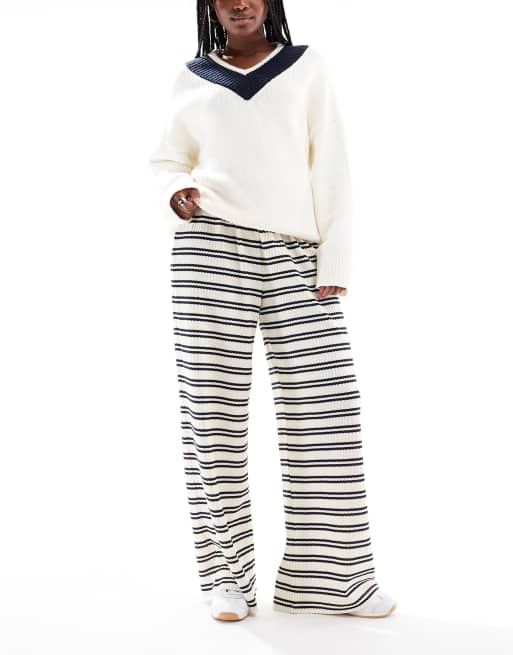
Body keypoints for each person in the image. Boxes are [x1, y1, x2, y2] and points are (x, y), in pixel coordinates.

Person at [149, 0, 397, 622]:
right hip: (209, 249)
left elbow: (331, 164)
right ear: (209, 5)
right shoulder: (192, 76)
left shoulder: (306, 66)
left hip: (295, 254)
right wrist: (174, 189)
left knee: (327, 414)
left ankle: (331, 582)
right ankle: (227, 579)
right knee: (212, 414)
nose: (240, 3)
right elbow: (167, 159)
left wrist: (334, 259)